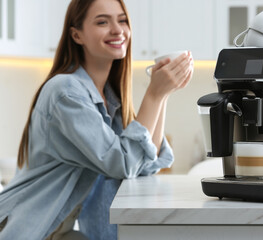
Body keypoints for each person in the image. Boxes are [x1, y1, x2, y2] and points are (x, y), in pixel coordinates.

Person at [0, 0, 193, 239]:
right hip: (28, 231)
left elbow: (144, 164)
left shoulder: (109, 98)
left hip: (60, 231)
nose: (117, 29)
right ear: (77, 35)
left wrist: (163, 94)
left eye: (122, 20)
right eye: (102, 21)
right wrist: (154, 94)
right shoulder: (66, 92)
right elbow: (122, 162)